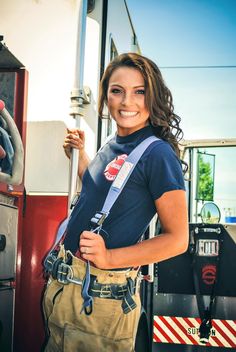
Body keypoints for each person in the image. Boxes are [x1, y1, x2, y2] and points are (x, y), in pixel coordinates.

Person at [43, 52, 188, 352]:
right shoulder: (112, 143)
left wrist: (109, 258)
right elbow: (98, 191)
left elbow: (178, 240)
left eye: (139, 92)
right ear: (105, 96)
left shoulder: (158, 155)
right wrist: (81, 155)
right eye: (117, 91)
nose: (127, 102)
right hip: (66, 290)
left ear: (153, 96)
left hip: (100, 303)